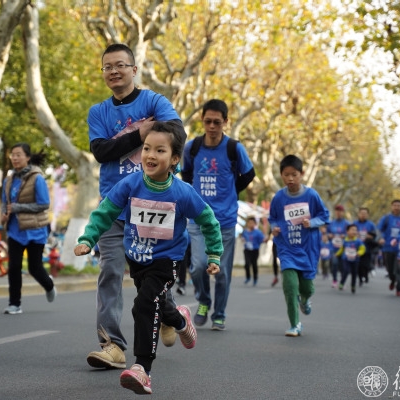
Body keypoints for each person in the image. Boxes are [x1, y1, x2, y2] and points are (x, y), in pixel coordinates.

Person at [74, 121, 222, 395]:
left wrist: (214, 253)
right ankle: (180, 321)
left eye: (160, 150)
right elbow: (105, 212)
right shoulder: (130, 184)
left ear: (174, 159)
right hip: (138, 258)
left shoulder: (182, 192)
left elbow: (208, 221)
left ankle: (142, 368)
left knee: (144, 304)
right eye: (146, 148)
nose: (150, 155)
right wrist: (87, 239)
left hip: (167, 260)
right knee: (156, 303)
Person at [86, 43, 188, 369]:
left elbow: (176, 134)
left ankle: (167, 313)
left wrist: (146, 135)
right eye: (107, 67)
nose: (114, 71)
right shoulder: (98, 112)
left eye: (120, 65)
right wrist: (140, 133)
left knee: (149, 276)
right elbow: (101, 152)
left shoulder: (155, 101)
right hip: (114, 206)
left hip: (151, 204)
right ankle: (112, 346)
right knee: (110, 272)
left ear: (133, 69)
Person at [181, 99, 255, 331]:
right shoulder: (192, 148)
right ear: (202, 121)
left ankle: (219, 314)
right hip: (198, 219)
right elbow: (186, 174)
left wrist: (231, 191)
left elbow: (249, 174)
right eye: (208, 121)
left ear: (225, 122)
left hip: (225, 220)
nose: (212, 126)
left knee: (221, 272)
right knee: (198, 266)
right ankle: (204, 301)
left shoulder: (234, 148)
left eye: (217, 122)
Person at [269, 155, 329, 336]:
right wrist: (274, 228)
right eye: (286, 175)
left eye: (294, 175)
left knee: (307, 288)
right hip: (287, 248)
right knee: (290, 286)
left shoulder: (311, 195)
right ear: (281, 175)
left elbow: (324, 216)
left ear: (301, 174)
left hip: (308, 248)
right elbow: (272, 218)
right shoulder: (279, 197)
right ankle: (295, 324)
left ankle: (305, 299)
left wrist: (312, 222)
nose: (290, 179)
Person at [1, 143, 56, 315]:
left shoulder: (37, 178)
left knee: (34, 268)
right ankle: (14, 304)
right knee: (14, 267)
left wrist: (18, 208)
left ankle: (49, 285)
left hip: (35, 230)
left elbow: (44, 204)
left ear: (27, 157)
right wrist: (4, 214)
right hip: (15, 230)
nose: (15, 158)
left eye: (18, 154)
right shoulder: (9, 180)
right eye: (13, 155)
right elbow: (5, 202)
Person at [377, 199, 400, 292]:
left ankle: (399, 286)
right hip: (388, 248)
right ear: (391, 207)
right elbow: (378, 230)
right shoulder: (386, 218)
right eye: (395, 205)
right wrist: (380, 238)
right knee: (390, 269)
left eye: (399, 206)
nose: (396, 207)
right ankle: (393, 280)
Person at [335, 224, 366, 293]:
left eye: (355, 230)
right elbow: (342, 248)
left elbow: (363, 248)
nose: (354, 231)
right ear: (347, 231)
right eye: (352, 230)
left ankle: (353, 285)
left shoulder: (358, 241)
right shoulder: (345, 240)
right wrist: (337, 254)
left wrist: (359, 253)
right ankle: (342, 283)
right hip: (346, 259)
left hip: (355, 260)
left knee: (354, 273)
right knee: (346, 270)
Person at [353, 207, 378, 286]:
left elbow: (375, 235)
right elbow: (350, 233)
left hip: (367, 248)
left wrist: (370, 237)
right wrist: (355, 235)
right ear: (358, 214)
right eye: (361, 213)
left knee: (366, 264)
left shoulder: (371, 224)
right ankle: (360, 278)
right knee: (358, 265)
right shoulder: (354, 224)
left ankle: (366, 275)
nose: (363, 215)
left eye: (365, 214)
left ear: (367, 215)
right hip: (357, 248)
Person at [327, 204, 349, 288]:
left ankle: (342, 281)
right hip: (333, 247)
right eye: (337, 211)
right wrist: (329, 235)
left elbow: (351, 234)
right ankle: (334, 280)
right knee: (334, 263)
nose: (338, 213)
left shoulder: (346, 223)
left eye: (340, 211)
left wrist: (345, 235)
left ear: (343, 212)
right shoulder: (331, 223)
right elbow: (327, 233)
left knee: (343, 265)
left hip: (343, 248)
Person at [241, 216, 266, 286]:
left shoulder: (258, 232)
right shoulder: (245, 231)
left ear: (255, 224)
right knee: (247, 264)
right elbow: (242, 237)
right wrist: (243, 239)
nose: (250, 224)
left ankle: (255, 278)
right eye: (249, 223)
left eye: (252, 223)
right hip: (247, 250)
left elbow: (262, 239)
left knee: (254, 264)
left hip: (255, 250)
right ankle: (248, 277)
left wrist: (263, 240)